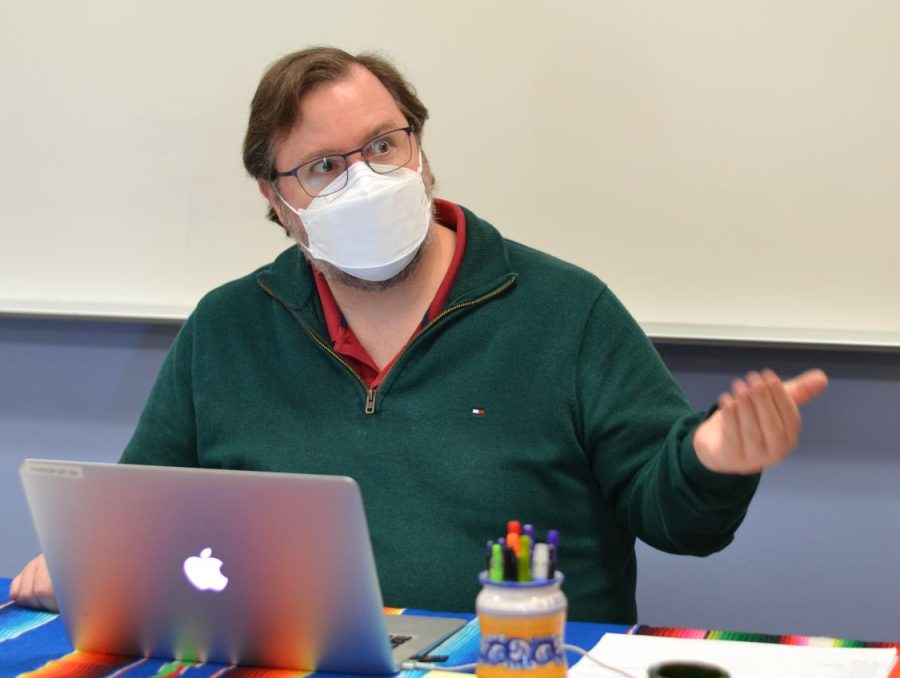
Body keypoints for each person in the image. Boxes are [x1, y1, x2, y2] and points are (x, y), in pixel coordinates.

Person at [11, 46, 828, 622]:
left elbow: (681, 521)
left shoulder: (566, 311)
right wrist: (94, 559)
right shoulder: (228, 327)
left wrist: (714, 459)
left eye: (383, 143)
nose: (365, 176)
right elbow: (139, 514)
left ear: (420, 148)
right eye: (325, 166)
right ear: (275, 195)